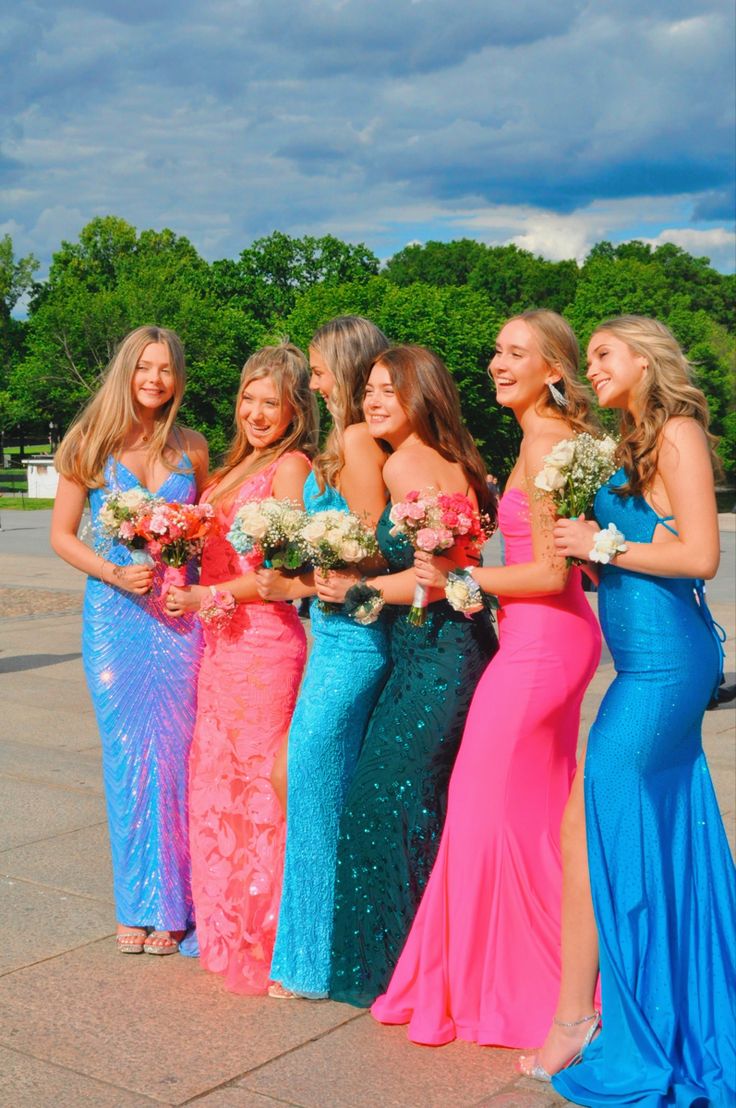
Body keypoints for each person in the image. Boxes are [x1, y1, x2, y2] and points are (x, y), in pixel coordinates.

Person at [371, 310, 602, 1047]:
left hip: (543, 648)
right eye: (495, 350)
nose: (498, 363)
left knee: (480, 808)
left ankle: (514, 986)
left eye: (516, 353)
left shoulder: (547, 441)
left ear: (554, 371)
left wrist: (457, 581)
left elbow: (551, 570)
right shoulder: (540, 439)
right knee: (531, 818)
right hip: (545, 641)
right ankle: (528, 974)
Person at [533, 315, 735, 1104]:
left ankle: (640, 1027)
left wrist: (600, 547)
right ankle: (636, 1010)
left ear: (647, 361)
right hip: (642, 658)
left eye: (605, 354)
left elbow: (699, 556)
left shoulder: (679, 432)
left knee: (617, 831)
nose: (593, 365)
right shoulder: (625, 444)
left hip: (664, 665)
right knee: (628, 827)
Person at [318, 344, 498, 1007]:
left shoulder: (406, 464)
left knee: (380, 805)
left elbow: (433, 583)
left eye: (389, 390)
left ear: (421, 395)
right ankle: (417, 962)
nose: (373, 400)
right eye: (368, 388)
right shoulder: (453, 460)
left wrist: (350, 595)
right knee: (415, 804)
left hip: (439, 656)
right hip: (442, 651)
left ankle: (395, 971)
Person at [51, 325, 209, 955]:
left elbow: (208, 533)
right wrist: (115, 571)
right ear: (126, 370)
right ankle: (133, 905)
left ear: (178, 378)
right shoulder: (90, 442)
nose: (155, 379)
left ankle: (173, 906)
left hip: (176, 620)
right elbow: (64, 535)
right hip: (115, 620)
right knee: (125, 761)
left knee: (174, 760)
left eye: (166, 369)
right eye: (145, 367)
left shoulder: (193, 447)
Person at [166, 342, 318, 994]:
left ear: (293, 411)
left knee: (259, 788)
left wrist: (209, 596)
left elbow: (286, 576)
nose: (256, 412)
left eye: (271, 402)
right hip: (219, 645)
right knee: (218, 780)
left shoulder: (290, 467)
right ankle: (224, 920)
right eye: (249, 398)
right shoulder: (232, 466)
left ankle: (268, 931)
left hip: (262, 644)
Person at [262, 317, 393, 1000]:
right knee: (314, 785)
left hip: (355, 640)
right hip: (327, 633)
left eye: (316, 369)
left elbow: (378, 546)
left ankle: (310, 962)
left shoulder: (356, 441)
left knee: (310, 785)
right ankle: (336, 947)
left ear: (341, 368)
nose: (311, 381)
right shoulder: (337, 445)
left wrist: (316, 557)